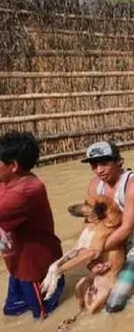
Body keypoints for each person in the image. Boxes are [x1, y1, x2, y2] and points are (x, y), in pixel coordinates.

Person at [0, 132, 64, 320]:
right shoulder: (10, 180)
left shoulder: (26, 191)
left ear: (13, 166)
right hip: (16, 263)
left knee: (43, 318)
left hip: (36, 270)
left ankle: (57, 286)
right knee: (11, 311)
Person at [83, 141, 134, 313]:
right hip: (109, 248)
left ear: (118, 161)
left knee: (114, 304)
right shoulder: (94, 186)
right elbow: (91, 224)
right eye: (94, 165)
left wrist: (94, 250)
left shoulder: (132, 183)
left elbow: (126, 228)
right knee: (88, 298)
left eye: (104, 163)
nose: (99, 170)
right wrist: (92, 262)